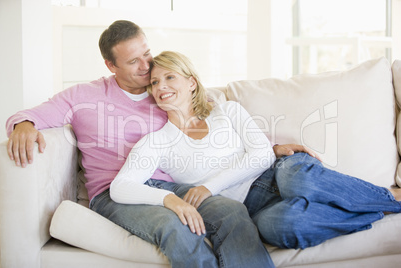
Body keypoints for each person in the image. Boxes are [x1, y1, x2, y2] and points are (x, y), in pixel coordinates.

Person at [6, 21, 275, 267]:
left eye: (146, 53)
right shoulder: (83, 96)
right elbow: (31, 115)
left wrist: (272, 148)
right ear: (111, 65)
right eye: (134, 61)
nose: (146, 66)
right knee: (173, 225)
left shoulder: (163, 93)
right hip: (114, 193)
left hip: (166, 184)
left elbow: (212, 124)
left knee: (231, 211)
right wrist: (24, 125)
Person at [111, 50, 401, 252]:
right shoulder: (156, 142)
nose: (161, 86)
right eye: (154, 82)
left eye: (169, 77)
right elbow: (120, 187)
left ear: (191, 82)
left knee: (297, 179)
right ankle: (375, 211)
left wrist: (209, 187)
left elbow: (262, 155)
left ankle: (393, 199)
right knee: (282, 227)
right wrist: (170, 200)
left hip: (278, 172)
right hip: (257, 208)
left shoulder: (226, 111)